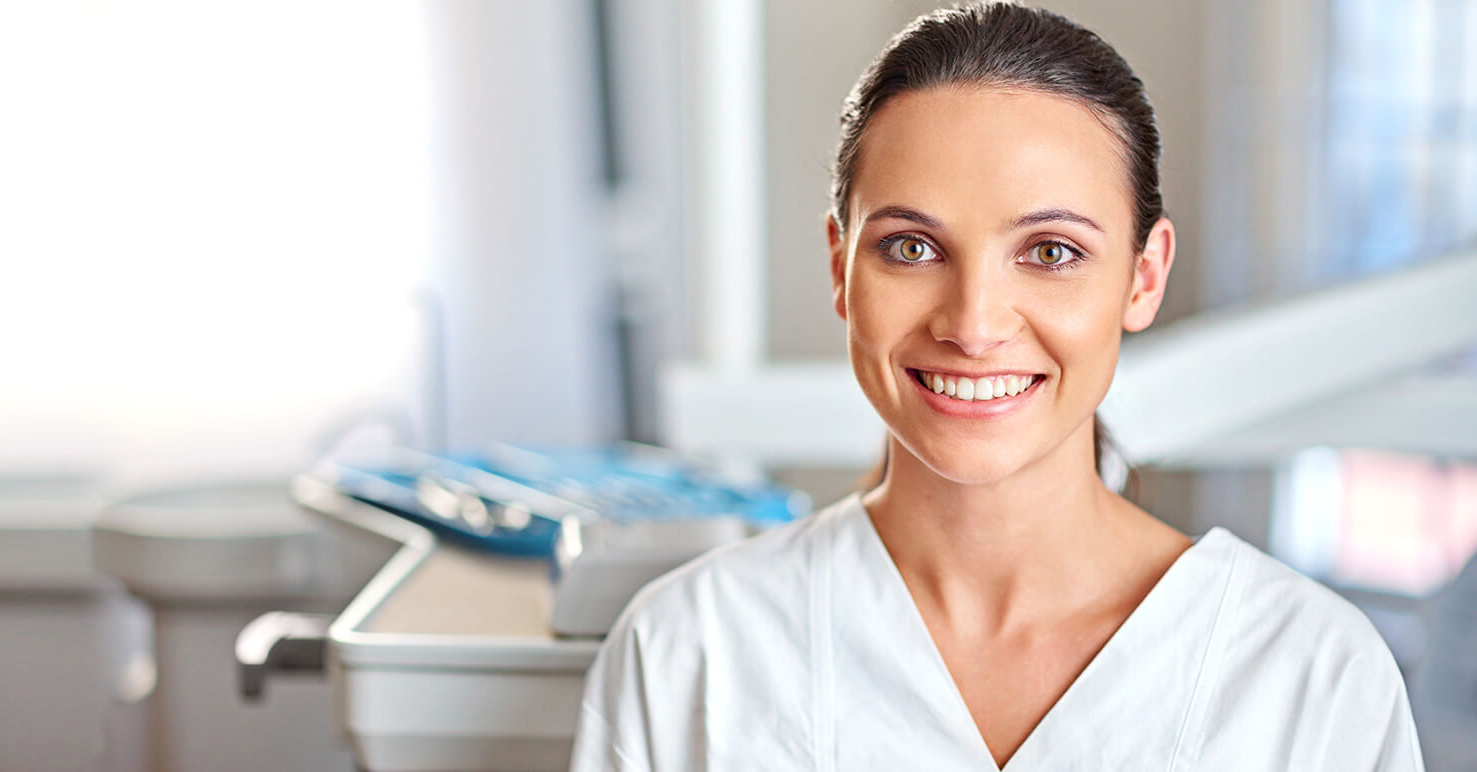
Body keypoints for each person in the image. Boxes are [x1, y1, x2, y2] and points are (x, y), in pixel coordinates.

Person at [569, 2, 1424, 769]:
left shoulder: (1311, 679)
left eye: (1051, 252)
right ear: (840, 267)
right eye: (911, 247)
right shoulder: (689, 654)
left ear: (1143, 276)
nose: (973, 325)